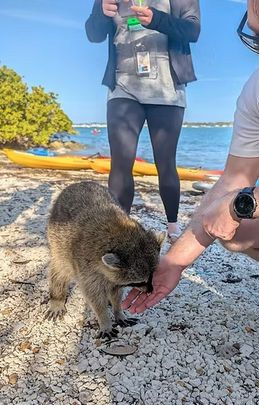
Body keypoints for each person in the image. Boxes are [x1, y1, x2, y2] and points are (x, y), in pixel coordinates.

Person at [123, 0, 259, 315]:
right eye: (258, 40)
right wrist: (174, 262)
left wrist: (250, 201)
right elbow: (234, 179)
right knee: (235, 231)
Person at [85, 0, 200, 242]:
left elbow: (193, 31)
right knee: (121, 161)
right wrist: (101, 14)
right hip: (123, 87)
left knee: (165, 162)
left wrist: (156, 19)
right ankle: (118, 230)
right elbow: (93, 34)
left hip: (167, 89)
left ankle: (172, 226)